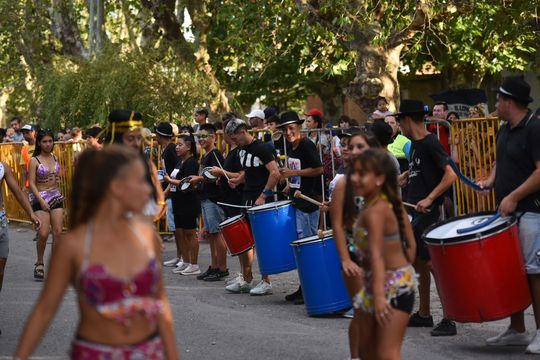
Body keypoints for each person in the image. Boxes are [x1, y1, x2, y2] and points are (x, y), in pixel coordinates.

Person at [15, 146, 179, 359]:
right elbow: (44, 310)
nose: (149, 190)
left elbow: (160, 304)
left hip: (149, 352)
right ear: (116, 187)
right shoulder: (73, 245)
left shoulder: (147, 237)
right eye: (141, 181)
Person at [477, 77, 540, 354]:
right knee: (513, 272)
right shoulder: (505, 129)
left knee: (535, 273)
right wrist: (491, 181)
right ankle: (517, 329)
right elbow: (500, 161)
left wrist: (513, 196)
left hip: (531, 211)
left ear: (509, 102)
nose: (495, 105)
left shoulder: (534, 128)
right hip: (508, 213)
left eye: (499, 100)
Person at [396, 100, 457, 336]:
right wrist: (406, 175)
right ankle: (424, 314)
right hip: (415, 212)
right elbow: (423, 170)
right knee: (419, 263)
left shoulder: (430, 142)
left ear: (407, 120)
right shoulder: (415, 145)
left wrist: (430, 198)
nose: (399, 125)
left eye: (400, 120)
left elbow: (450, 175)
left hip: (428, 213)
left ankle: (450, 319)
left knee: (433, 265)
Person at [349, 148, 417, 360]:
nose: (355, 178)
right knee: (367, 352)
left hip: (392, 287)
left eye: (362, 174)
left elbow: (378, 255)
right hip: (375, 285)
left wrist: (381, 294)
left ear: (379, 178)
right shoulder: (374, 205)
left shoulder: (377, 210)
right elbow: (409, 247)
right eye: (355, 172)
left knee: (386, 353)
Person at [330, 130, 379, 358]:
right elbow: (337, 225)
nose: (354, 150)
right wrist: (345, 259)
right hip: (354, 253)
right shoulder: (343, 184)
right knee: (362, 310)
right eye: (352, 146)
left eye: (361, 147)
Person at [225, 118, 281, 295]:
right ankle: (246, 278)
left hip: (260, 200)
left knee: (261, 241)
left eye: (234, 138)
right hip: (247, 197)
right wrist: (239, 179)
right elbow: (248, 170)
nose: (233, 142)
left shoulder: (262, 148)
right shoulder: (241, 149)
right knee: (245, 240)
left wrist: (264, 195)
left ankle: (266, 281)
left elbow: (275, 173)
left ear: (242, 132)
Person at [278, 111, 323, 304]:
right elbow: (296, 173)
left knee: (309, 247)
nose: (288, 132)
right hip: (297, 200)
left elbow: (319, 169)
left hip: (308, 203)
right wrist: (290, 183)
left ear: (299, 127)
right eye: (285, 129)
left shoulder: (306, 144)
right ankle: (304, 287)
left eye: (291, 128)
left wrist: (294, 172)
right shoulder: (290, 146)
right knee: (302, 248)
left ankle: (312, 288)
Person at [102, 109, 166, 222]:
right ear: (117, 138)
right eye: (130, 139)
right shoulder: (102, 164)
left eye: (139, 138)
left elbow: (158, 197)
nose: (136, 144)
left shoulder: (146, 163)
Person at [0, 160, 40, 335]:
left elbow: (17, 191)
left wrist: (31, 214)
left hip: (0, 224)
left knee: (0, 273)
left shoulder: (2, 167)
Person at [190, 123, 229, 282]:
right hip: (205, 197)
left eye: (204, 136)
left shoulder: (215, 154)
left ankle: (223, 268)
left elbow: (221, 176)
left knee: (217, 233)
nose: (201, 139)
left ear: (213, 137)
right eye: (199, 136)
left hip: (214, 199)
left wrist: (199, 178)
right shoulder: (205, 155)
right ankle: (214, 266)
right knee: (212, 234)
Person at [27, 129, 64, 280]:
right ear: (39, 143)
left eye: (50, 141)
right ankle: (39, 262)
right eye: (44, 141)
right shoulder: (34, 160)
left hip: (55, 196)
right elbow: (32, 184)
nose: (48, 144)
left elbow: (56, 178)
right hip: (39, 197)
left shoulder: (55, 157)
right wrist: (41, 201)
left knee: (58, 232)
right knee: (43, 233)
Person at [164, 135, 201, 276]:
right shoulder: (180, 161)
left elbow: (187, 182)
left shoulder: (192, 163)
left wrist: (169, 180)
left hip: (188, 202)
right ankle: (185, 262)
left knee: (190, 233)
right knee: (181, 233)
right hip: (177, 201)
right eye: (176, 145)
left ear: (188, 147)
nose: (177, 147)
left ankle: (194, 264)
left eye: (180, 145)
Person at [155, 122, 180, 245]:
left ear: (160, 135)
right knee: (173, 227)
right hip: (168, 192)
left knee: (177, 229)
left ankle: (182, 258)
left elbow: (176, 172)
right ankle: (179, 257)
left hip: (173, 193)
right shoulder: (166, 150)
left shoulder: (171, 149)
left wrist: (166, 190)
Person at [20, 124, 37, 189]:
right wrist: (24, 186)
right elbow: (24, 170)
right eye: (23, 134)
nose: (25, 135)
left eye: (27, 132)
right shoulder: (24, 148)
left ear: (34, 132)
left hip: (44, 181)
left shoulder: (41, 144)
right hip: (31, 183)